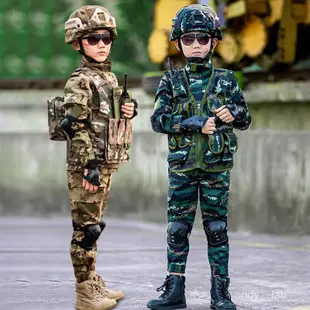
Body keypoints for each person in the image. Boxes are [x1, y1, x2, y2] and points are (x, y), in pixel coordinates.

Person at [147, 4, 251, 310]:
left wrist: (233, 112)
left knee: (216, 229)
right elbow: (157, 121)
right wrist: (194, 123)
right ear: (178, 41)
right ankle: (174, 291)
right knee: (177, 229)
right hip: (182, 168)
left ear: (214, 42)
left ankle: (221, 293)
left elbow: (245, 117)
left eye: (202, 39)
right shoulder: (171, 81)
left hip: (216, 168)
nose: (195, 44)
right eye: (189, 38)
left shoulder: (227, 79)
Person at [61, 5, 137, 310]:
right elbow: (73, 125)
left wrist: (129, 108)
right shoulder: (80, 80)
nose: (102, 44)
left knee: (95, 224)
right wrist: (89, 166)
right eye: (93, 38)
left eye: (106, 38)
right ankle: (84, 293)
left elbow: (106, 115)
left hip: (105, 162)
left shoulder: (107, 77)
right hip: (87, 166)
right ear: (78, 43)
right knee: (86, 229)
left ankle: (92, 280)